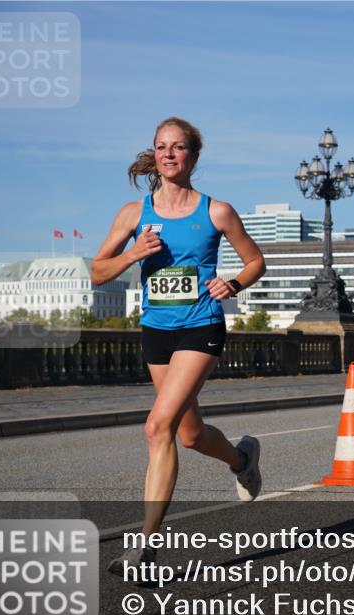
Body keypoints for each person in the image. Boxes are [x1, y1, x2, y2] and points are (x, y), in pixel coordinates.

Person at [94, 117, 266, 576]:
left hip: (200, 327)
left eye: (179, 147)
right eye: (162, 147)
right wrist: (132, 254)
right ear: (155, 154)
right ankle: (242, 458)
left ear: (193, 155)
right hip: (157, 329)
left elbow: (255, 261)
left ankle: (145, 550)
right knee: (188, 434)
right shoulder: (134, 214)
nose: (170, 154)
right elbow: (97, 271)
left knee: (157, 427)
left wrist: (232, 282)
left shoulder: (217, 211)